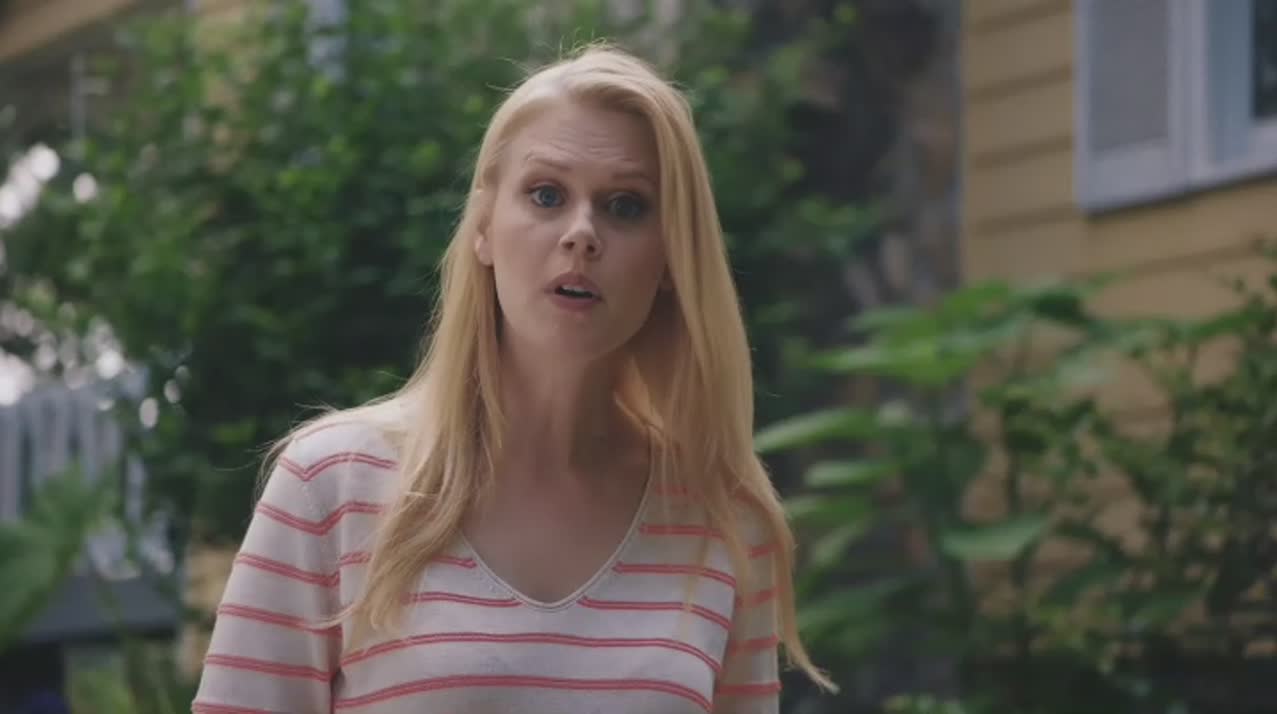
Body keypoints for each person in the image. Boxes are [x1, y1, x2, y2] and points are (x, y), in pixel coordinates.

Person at [192, 43, 832, 713]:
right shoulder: (332, 484)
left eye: (626, 206)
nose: (581, 233)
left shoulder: (722, 519)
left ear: (673, 256)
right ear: (484, 227)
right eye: (546, 195)